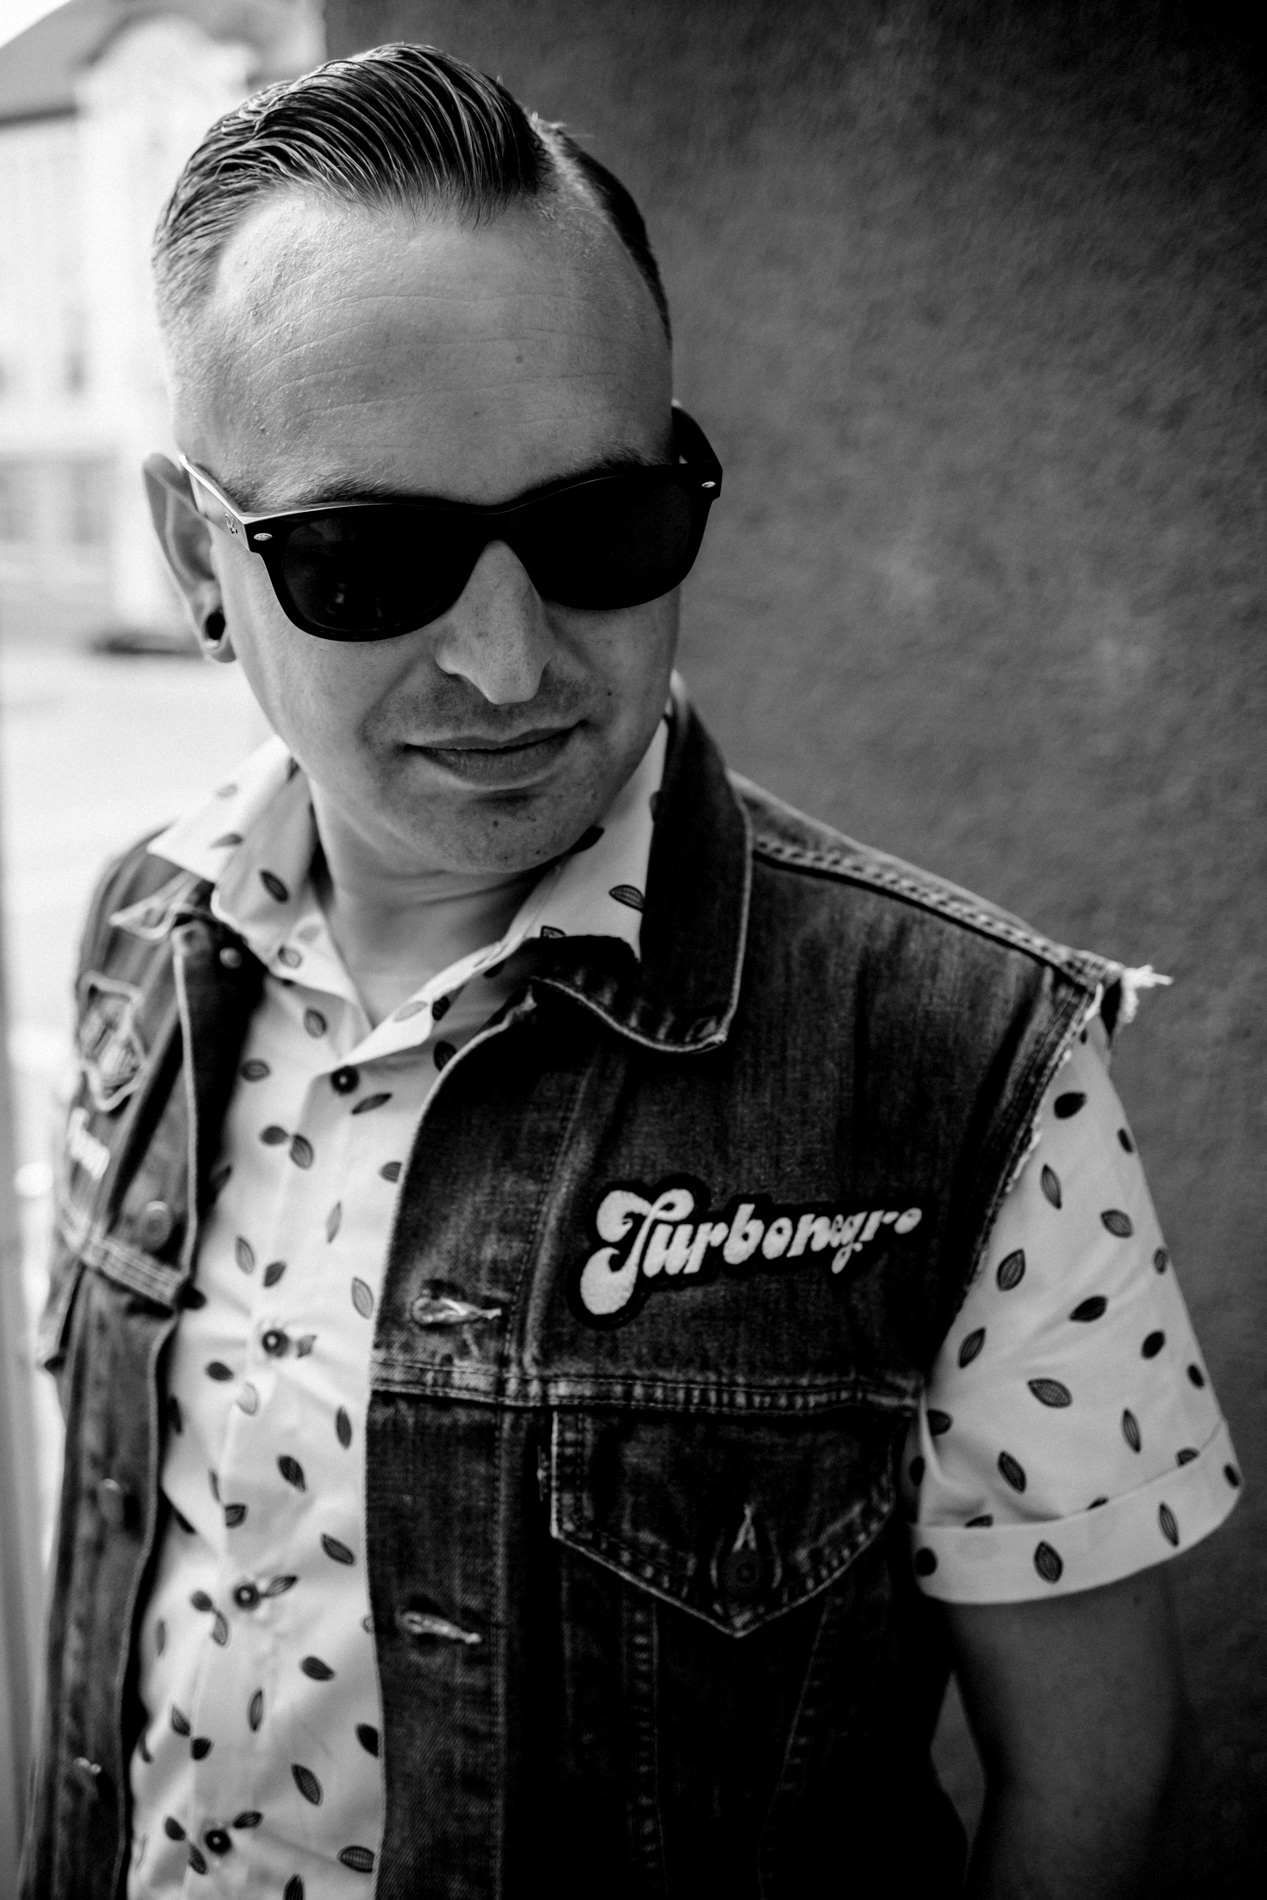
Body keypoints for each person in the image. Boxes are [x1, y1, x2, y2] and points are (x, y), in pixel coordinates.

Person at [21, 41, 1240, 1900]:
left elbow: (1095, 1790)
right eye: (370, 560)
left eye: (601, 530)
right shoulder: (139, 933)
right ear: (200, 556)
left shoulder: (966, 1063)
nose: (509, 663)